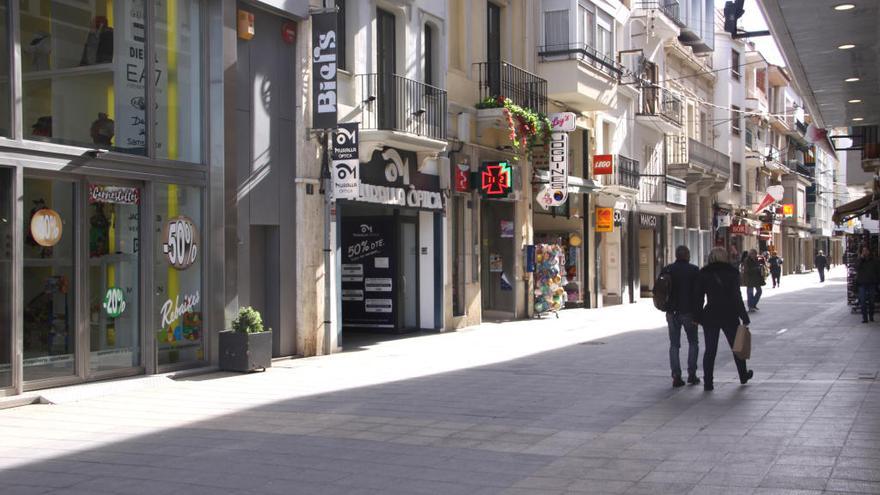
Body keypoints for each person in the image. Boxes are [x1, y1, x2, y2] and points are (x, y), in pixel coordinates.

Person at [695, 247, 754, 391]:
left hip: (711, 314)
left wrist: (697, 316)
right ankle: (743, 375)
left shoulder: (704, 273)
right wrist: (744, 316)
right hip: (730, 314)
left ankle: (708, 382)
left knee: (710, 350)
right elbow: (736, 297)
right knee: (737, 347)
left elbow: (699, 298)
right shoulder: (732, 272)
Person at [665, 246, 701, 387]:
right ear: (687, 255)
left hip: (671, 312)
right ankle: (692, 374)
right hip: (689, 312)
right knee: (693, 342)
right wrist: (698, 314)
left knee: (674, 345)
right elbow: (698, 294)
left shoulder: (668, 269)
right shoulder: (693, 270)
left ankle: (676, 376)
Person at [855, 247, 880, 323]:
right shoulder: (859, 260)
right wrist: (861, 259)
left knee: (871, 301)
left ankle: (871, 316)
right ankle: (865, 318)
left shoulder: (875, 260)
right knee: (862, 301)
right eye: (863, 251)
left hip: (871, 283)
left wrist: (878, 282)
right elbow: (856, 268)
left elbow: (878, 272)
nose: (864, 252)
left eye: (866, 250)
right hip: (862, 284)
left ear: (869, 252)